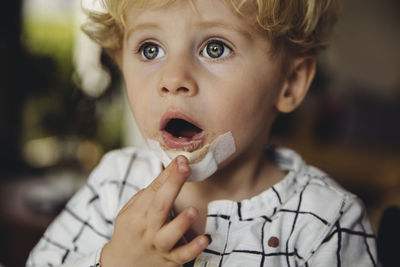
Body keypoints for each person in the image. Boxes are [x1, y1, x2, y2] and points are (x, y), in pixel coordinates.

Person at [26, 0, 379, 266]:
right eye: (151, 50)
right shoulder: (113, 185)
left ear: (289, 83)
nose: (173, 79)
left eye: (215, 48)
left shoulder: (326, 221)